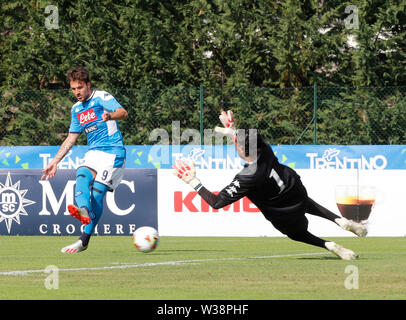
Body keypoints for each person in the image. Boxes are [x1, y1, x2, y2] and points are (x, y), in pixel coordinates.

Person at [173, 110, 367, 260]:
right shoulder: (264, 149)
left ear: (241, 149)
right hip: (294, 189)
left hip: (283, 212)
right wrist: (232, 130)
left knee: (297, 234)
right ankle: (341, 221)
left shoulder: (246, 177)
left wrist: (193, 181)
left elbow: (216, 202)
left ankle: (330, 245)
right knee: (306, 202)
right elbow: (247, 140)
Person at [41, 67, 128, 253]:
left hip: (113, 153)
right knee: (81, 174)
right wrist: (55, 161)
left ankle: (84, 240)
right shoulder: (76, 109)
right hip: (94, 152)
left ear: (88, 85)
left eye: (80, 87)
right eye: (73, 89)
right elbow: (71, 138)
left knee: (97, 195)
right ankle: (83, 211)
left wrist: (110, 115)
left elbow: (123, 112)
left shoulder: (102, 97)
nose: (77, 92)